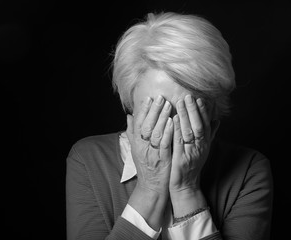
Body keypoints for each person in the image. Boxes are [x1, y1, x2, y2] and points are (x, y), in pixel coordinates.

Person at [66, 12, 273, 240]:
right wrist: (150, 188)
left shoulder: (248, 171)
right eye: (155, 111)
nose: (169, 131)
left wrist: (187, 189)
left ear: (213, 118)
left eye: (187, 112)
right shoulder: (89, 159)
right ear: (132, 111)